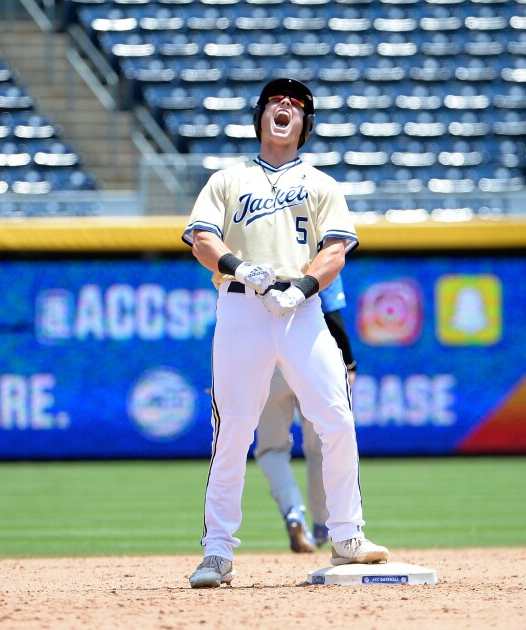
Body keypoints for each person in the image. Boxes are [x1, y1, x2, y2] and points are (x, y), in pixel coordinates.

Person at [182, 77, 389, 588]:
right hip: (241, 309)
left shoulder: (321, 184)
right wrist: (239, 266)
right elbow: (201, 239)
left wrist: (301, 287)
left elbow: (336, 250)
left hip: (301, 310)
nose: (285, 107)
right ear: (260, 117)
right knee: (232, 429)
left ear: (305, 124)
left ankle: (346, 534)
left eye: (296, 105)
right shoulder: (227, 179)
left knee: (337, 419)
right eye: (276, 101)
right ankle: (217, 552)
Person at [254, 276, 356, 553]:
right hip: (308, 359)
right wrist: (349, 364)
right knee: (321, 447)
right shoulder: (313, 257)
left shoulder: (252, 257)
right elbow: (331, 314)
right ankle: (324, 524)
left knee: (271, 450)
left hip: (265, 364)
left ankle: (293, 513)